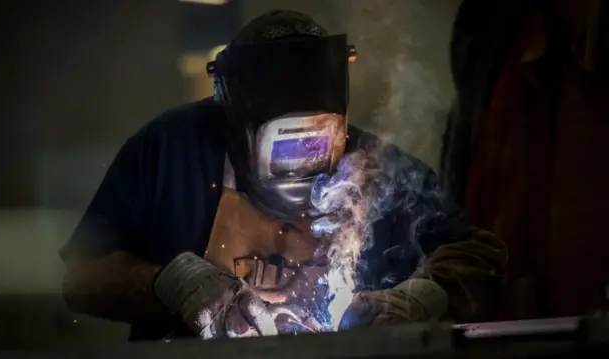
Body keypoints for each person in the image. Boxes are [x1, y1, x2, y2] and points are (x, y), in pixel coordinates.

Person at [60, 10, 507, 341]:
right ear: (238, 125)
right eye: (288, 142)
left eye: (323, 137)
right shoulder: (170, 150)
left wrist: (420, 297)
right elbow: (81, 280)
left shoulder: (376, 166)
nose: (306, 163)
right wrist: (169, 283)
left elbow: (481, 258)